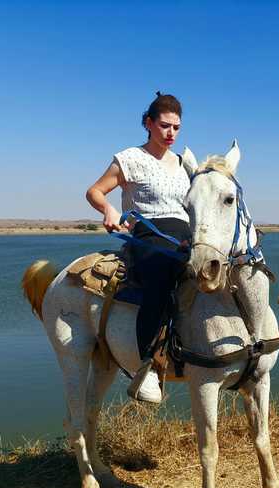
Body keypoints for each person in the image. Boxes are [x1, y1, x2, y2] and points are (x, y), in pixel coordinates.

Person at [86, 92, 191, 403]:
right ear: (148, 123)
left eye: (176, 127)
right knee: (160, 273)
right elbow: (94, 191)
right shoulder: (130, 158)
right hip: (147, 235)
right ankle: (147, 367)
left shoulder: (183, 163)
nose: (171, 133)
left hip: (184, 234)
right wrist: (108, 210)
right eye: (164, 126)